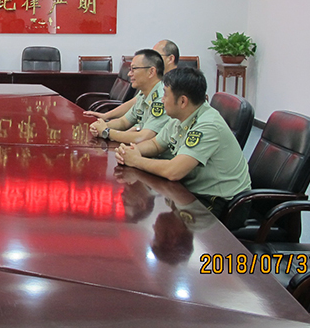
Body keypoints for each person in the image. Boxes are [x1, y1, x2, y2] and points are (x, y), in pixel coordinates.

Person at [114, 68, 251, 226]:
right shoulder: (181, 116)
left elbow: (174, 171)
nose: (162, 100)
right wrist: (132, 151)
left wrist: (136, 161)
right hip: (193, 190)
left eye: (165, 95)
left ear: (182, 101)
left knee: (176, 230)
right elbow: (156, 144)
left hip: (221, 201)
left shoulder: (207, 126)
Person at [85, 39, 180, 121]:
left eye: (157, 55)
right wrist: (106, 116)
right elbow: (133, 102)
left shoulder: (176, 84)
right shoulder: (155, 81)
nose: (153, 58)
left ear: (170, 58)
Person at [89, 49, 170, 144]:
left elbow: (143, 137)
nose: (129, 74)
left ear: (151, 72)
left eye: (133, 69)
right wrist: (101, 126)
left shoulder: (162, 99)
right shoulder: (143, 94)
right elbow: (124, 122)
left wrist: (106, 132)